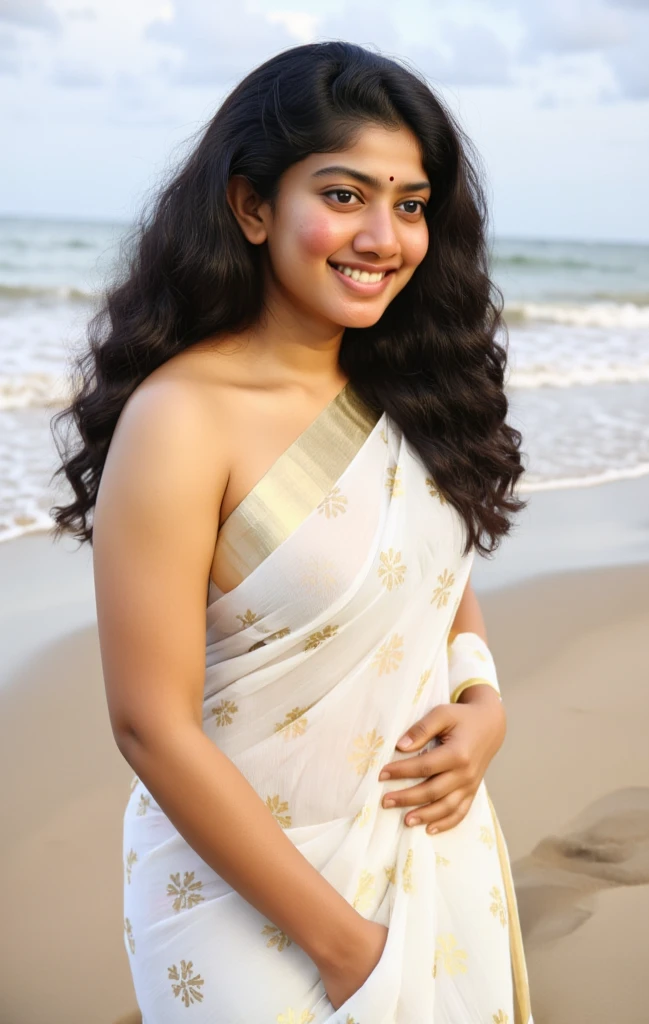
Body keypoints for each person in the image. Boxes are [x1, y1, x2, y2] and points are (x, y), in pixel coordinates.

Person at [50, 40, 532, 1023]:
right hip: (244, 894)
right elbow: (149, 722)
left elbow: (430, 578)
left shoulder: (405, 390)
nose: (383, 235)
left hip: (429, 853)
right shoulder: (182, 416)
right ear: (252, 206)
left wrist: (482, 700)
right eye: (345, 194)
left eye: (409, 204)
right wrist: (344, 947)